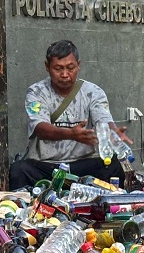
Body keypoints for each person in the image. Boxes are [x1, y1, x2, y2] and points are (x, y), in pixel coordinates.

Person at [8, 40, 133, 189]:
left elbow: (103, 119)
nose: (65, 74)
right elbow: (40, 128)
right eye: (58, 68)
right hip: (47, 166)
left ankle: (119, 208)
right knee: (19, 170)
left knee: (116, 164)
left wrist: (113, 133)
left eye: (70, 68)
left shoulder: (93, 92)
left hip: (82, 166)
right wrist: (71, 134)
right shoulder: (36, 92)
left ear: (78, 65)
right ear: (47, 67)